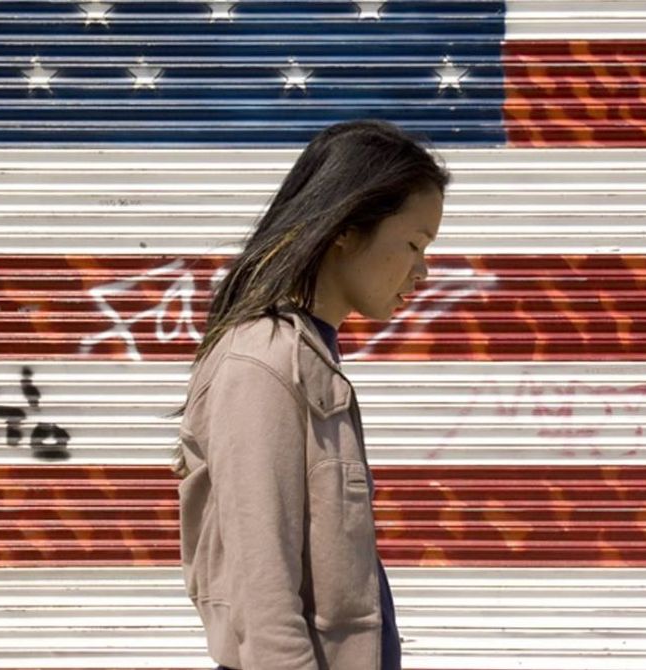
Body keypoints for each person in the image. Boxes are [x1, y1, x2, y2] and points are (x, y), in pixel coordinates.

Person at [168, 119, 449, 670]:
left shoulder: (307, 352)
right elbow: (262, 595)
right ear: (345, 227)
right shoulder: (263, 362)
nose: (423, 269)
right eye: (414, 243)